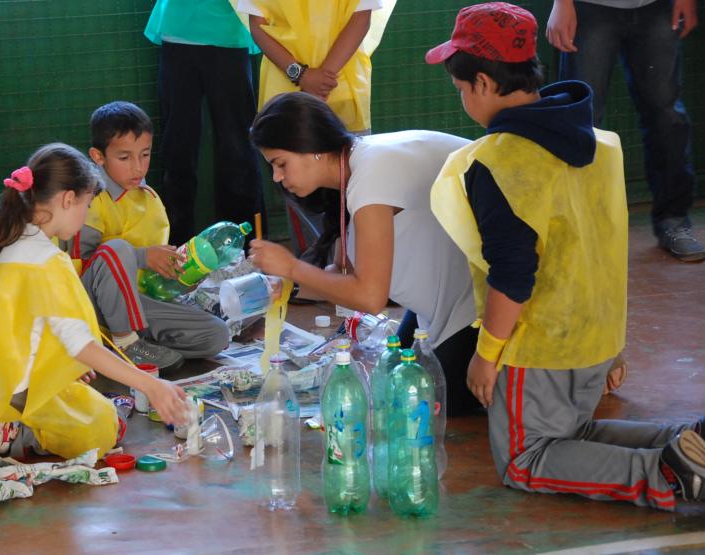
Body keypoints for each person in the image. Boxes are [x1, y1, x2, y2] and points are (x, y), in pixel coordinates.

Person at [426, 2, 705, 509]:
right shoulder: (600, 143)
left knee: (526, 459)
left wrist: (487, 356)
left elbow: (514, 273)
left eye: (462, 89)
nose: (464, 98)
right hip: (596, 338)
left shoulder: (498, 161)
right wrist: (614, 347)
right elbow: (602, 246)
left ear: (485, 83)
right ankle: (689, 442)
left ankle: (671, 478)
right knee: (572, 433)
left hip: (541, 349)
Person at [0, 143, 188, 465]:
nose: (86, 214)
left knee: (76, 393)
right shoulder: (49, 261)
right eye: (87, 204)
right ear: (68, 199)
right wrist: (151, 385)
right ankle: (8, 428)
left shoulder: (0, 239)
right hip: (15, 390)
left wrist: (62, 368)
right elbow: (81, 346)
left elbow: (17, 325)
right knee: (104, 425)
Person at [248, 92, 483, 417]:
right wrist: (290, 283)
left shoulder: (370, 174)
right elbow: (344, 274)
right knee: (390, 379)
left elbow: (371, 295)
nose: (276, 177)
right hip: (445, 298)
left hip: (482, 302)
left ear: (311, 149)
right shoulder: (356, 164)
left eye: (280, 164)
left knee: (422, 407)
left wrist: (291, 267)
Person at [70, 101, 229, 372]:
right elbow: (80, 265)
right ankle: (125, 342)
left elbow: (150, 279)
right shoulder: (89, 197)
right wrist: (144, 256)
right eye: (125, 158)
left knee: (217, 335)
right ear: (98, 157)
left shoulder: (149, 199)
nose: (138, 167)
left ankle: (122, 347)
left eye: (145, 155)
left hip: (137, 304)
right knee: (117, 249)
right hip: (86, 307)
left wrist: (180, 275)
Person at [237, 0, 396, 266]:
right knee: (296, 186)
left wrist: (321, 77)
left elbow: (361, 17)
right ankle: (315, 270)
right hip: (290, 96)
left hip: (341, 91)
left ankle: (363, 270)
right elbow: (258, 26)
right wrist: (301, 75)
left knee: (356, 187)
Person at [546, 0, 704, 262]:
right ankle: (579, 227)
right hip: (589, 7)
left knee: (667, 116)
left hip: (657, 8)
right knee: (582, 120)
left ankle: (675, 221)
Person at [144, 0, 264, 247]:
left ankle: (243, 249)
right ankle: (176, 252)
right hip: (178, 33)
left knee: (238, 150)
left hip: (230, 34)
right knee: (178, 150)